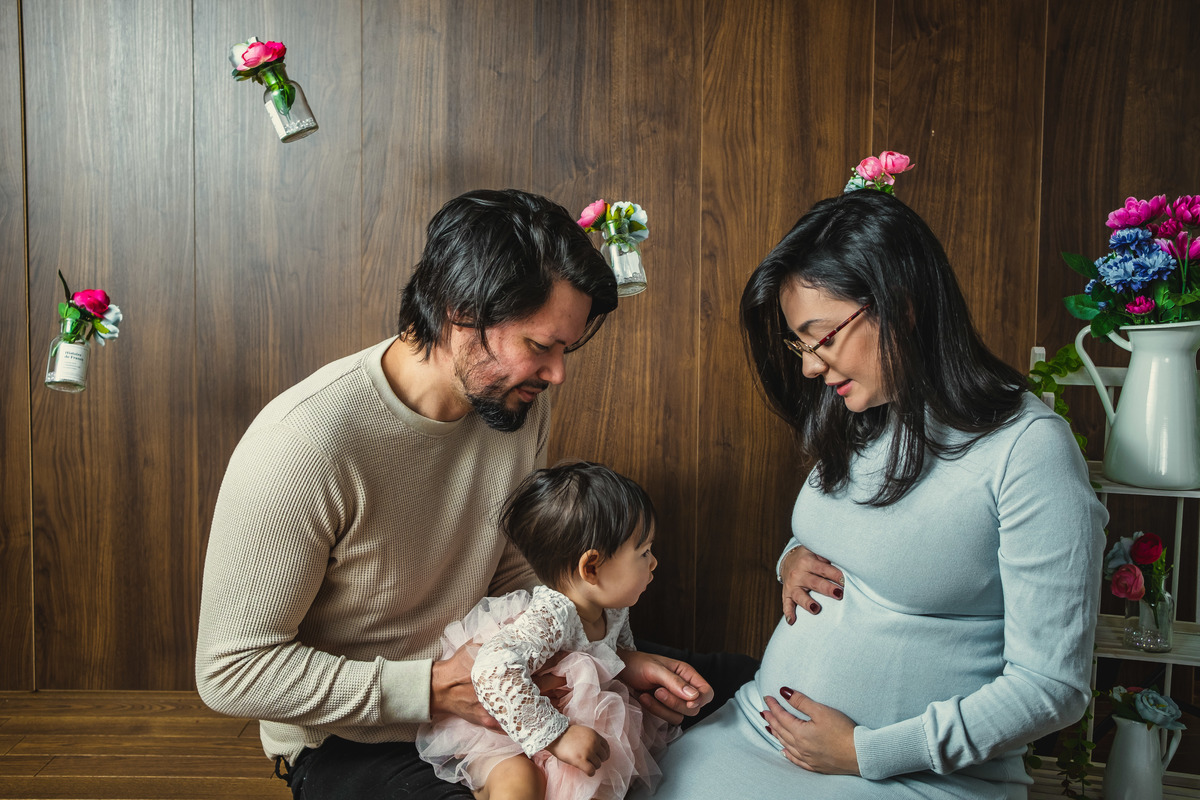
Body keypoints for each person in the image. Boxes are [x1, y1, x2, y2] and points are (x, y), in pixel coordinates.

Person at [195, 188, 715, 800]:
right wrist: (435, 688)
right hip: (355, 737)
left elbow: (518, 571)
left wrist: (613, 661)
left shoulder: (512, 404)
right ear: (458, 313)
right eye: (540, 346)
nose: (557, 374)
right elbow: (231, 671)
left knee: (724, 685)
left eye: (565, 350)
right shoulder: (305, 443)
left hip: (510, 676)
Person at [632, 180, 1107, 799]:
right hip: (757, 729)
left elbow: (1053, 688)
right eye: (799, 344)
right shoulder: (865, 413)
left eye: (823, 337)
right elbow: (859, 538)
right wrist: (791, 560)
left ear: (902, 306)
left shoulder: (1029, 451)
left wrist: (868, 751)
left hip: (913, 775)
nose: (809, 365)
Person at [417, 461, 678, 800]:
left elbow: (617, 655)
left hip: (568, 714)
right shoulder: (552, 615)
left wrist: (638, 670)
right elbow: (491, 669)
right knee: (521, 783)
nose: (654, 562)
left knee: (593, 774)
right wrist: (556, 736)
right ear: (591, 568)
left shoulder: (614, 608)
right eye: (643, 553)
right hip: (504, 721)